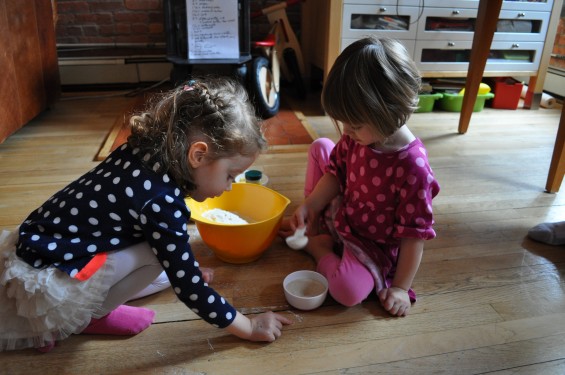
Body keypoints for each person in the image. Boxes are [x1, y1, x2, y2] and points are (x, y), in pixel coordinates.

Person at [0, 76, 292, 352]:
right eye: (231, 175)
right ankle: (83, 318)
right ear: (198, 155)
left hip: (37, 247)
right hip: (52, 281)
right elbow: (189, 288)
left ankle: (78, 309)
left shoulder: (143, 152)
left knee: (167, 256)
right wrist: (249, 327)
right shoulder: (161, 202)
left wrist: (179, 263)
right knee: (160, 257)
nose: (229, 187)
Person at [281, 37, 440, 317]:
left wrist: (401, 288)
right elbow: (336, 172)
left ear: (391, 113)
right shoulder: (357, 138)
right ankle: (315, 222)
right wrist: (311, 205)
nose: (346, 131)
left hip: (371, 242)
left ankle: (318, 248)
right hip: (348, 208)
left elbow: (414, 236)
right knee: (321, 147)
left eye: (354, 125)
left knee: (348, 291)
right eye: (344, 123)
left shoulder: (413, 167)